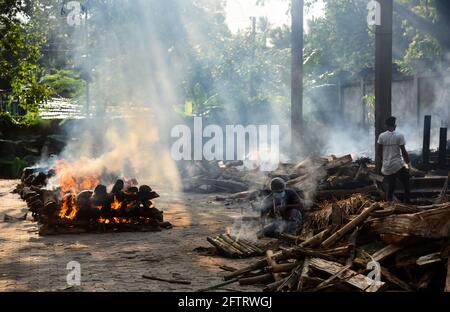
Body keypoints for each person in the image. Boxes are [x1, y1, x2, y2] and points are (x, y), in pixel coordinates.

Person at [377, 116, 411, 203]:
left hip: (387, 167)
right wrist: (409, 164)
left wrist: (384, 161)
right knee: (406, 182)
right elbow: (403, 152)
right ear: (395, 126)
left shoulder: (381, 136)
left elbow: (379, 152)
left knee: (391, 185)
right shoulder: (399, 136)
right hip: (397, 165)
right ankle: (407, 201)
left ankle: (389, 202)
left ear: (386, 126)